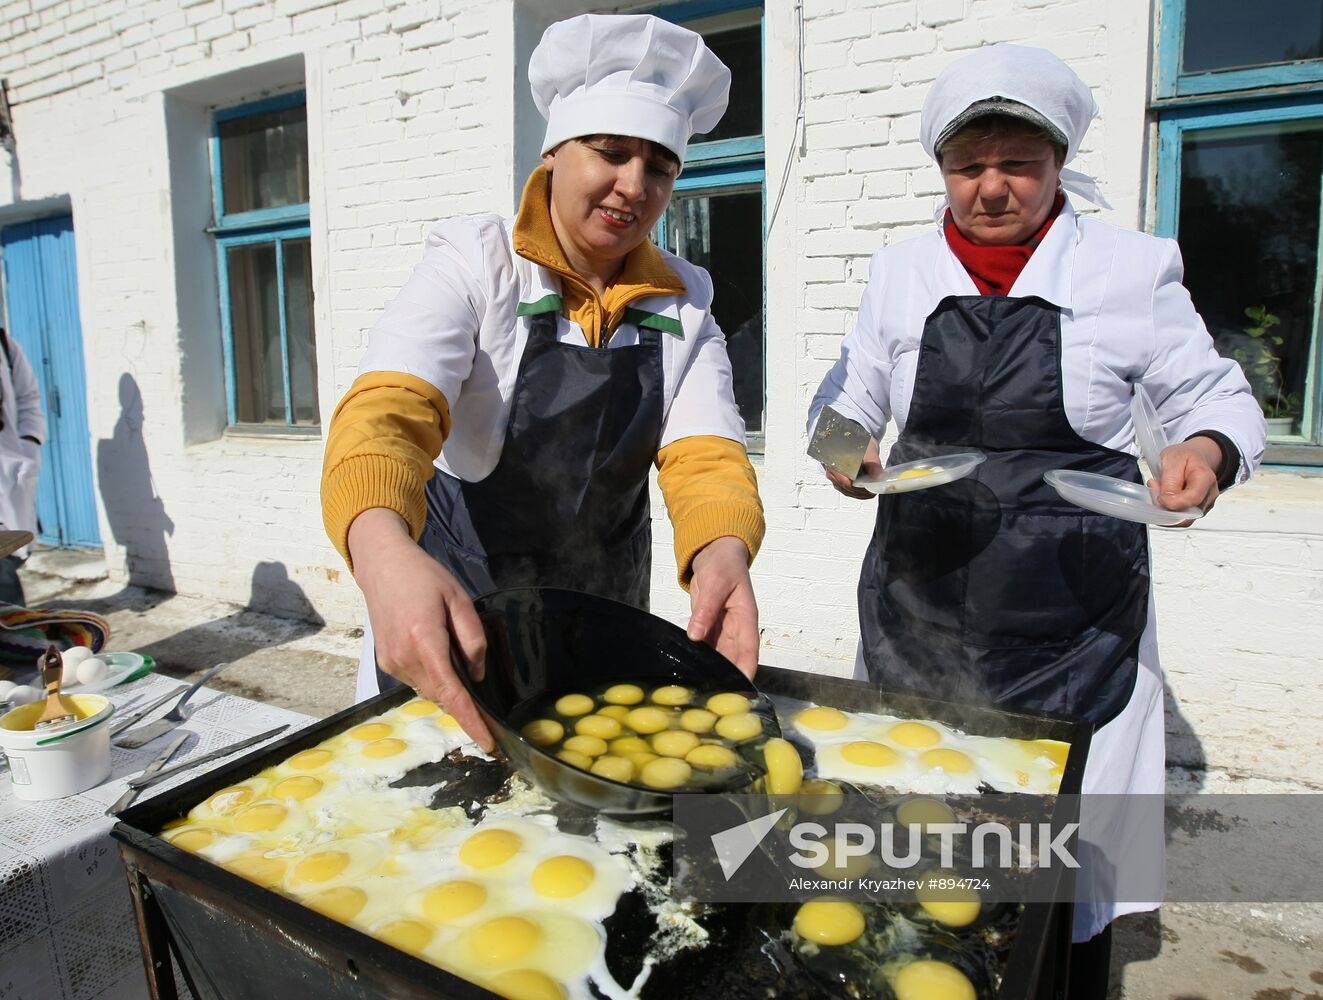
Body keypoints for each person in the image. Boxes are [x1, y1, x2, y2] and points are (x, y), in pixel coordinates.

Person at [809, 44, 1266, 998]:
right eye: (967, 166)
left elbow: (1212, 394)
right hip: (920, 603)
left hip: (1075, 618)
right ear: (942, 171)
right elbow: (846, 396)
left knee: (1062, 864)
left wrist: (1204, 454)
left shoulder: (1129, 269)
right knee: (923, 839)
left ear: (1057, 165)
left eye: (1016, 163)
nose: (990, 187)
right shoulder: (897, 271)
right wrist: (843, 450)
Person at [323, 13, 764, 750]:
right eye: (611, 152)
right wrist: (379, 549)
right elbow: (388, 413)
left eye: (659, 167)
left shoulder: (684, 299)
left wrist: (722, 550)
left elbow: (705, 456)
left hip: (601, 628)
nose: (634, 185)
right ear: (555, 152)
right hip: (458, 619)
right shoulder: (478, 264)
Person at [0, 327, 45, 607]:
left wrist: (29, 441)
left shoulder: (4, 345)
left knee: (8, 559)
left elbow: (28, 397)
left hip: (9, 467)